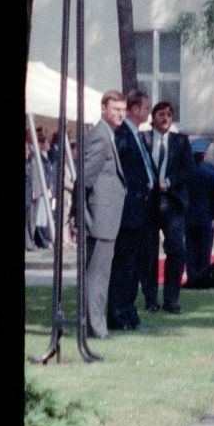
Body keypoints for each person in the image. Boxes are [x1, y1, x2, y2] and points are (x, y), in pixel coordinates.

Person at [82, 92, 128, 339]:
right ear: (103, 109)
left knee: (100, 274)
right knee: (97, 275)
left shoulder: (107, 134)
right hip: (99, 218)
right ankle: (96, 327)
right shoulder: (101, 136)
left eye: (123, 109)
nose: (120, 114)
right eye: (116, 109)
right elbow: (86, 178)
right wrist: (81, 214)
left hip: (105, 217)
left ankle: (95, 325)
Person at [109, 89, 156, 330]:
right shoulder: (123, 134)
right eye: (146, 107)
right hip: (129, 211)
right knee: (124, 266)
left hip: (142, 210)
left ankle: (128, 312)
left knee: (135, 265)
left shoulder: (137, 135)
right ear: (135, 109)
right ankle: (118, 314)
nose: (149, 112)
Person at [142, 101, 194, 314]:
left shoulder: (180, 142)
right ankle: (151, 299)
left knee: (177, 250)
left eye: (169, 114)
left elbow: (188, 171)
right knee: (148, 253)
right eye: (161, 114)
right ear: (152, 119)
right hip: (148, 202)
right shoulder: (142, 139)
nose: (166, 118)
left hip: (172, 202)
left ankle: (171, 298)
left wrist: (169, 182)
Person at [185, 138, 214, 278]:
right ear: (204, 154)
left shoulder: (185, 170)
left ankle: (192, 275)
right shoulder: (210, 170)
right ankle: (203, 275)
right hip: (206, 216)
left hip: (188, 215)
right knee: (205, 249)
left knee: (190, 248)